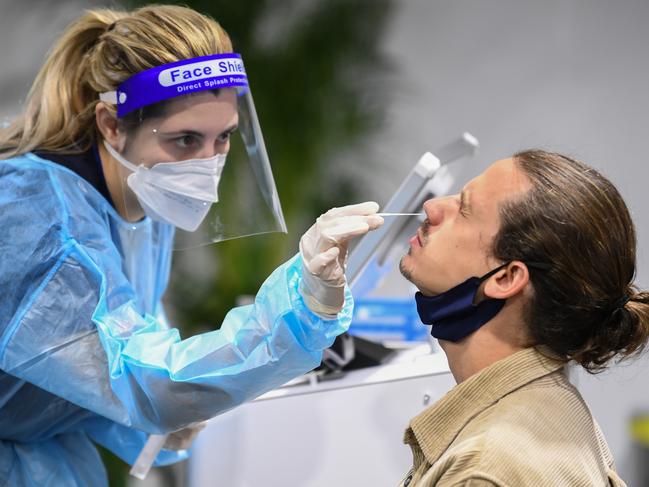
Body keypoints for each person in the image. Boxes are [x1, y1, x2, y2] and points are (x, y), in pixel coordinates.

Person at [0, 5, 383, 486]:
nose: (206, 163)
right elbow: (142, 379)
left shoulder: (139, 193)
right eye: (185, 140)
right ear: (111, 124)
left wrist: (157, 419)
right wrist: (300, 305)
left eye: (222, 138)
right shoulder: (34, 220)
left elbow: (100, 350)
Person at [397, 149, 649, 486]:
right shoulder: (561, 409)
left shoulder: (481, 470)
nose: (433, 207)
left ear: (505, 279)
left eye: (464, 210)